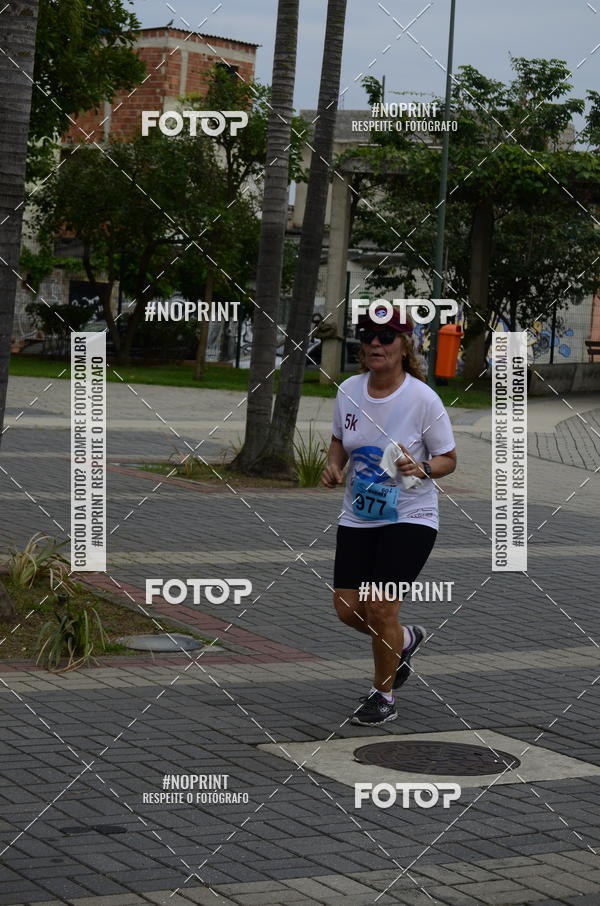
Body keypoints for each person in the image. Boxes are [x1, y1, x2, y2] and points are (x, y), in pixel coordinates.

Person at [321, 308, 457, 726]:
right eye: (368, 336)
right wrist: (333, 465)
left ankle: (383, 696)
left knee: (380, 608)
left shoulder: (421, 398)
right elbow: (339, 440)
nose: (375, 344)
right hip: (359, 516)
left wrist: (425, 468)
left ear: (405, 344)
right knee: (347, 610)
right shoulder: (348, 389)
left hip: (410, 516)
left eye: (386, 336)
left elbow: (448, 458)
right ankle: (406, 639)